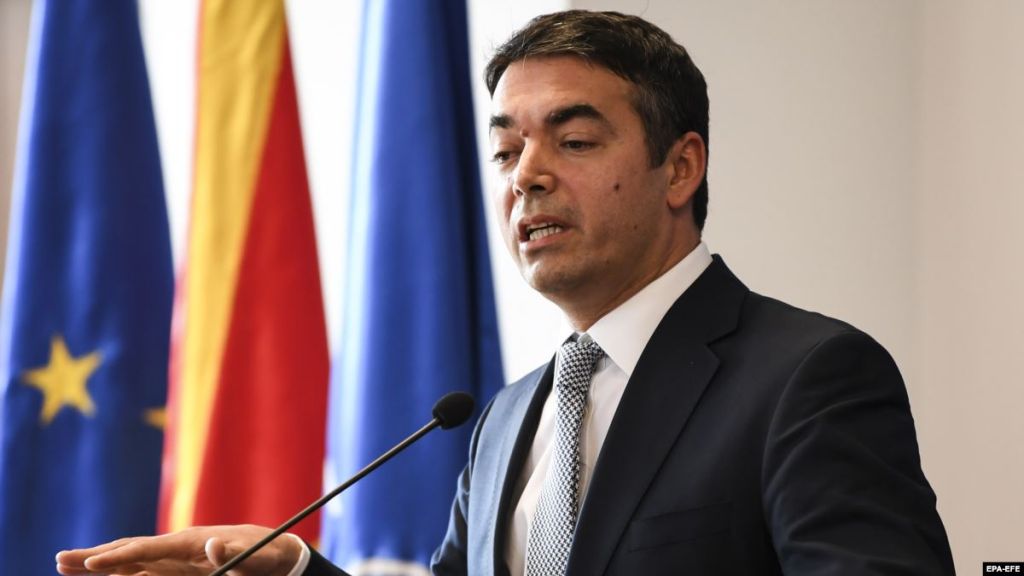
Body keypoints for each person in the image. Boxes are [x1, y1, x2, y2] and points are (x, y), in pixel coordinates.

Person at [57, 10, 955, 576]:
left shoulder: (807, 378)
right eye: (505, 150)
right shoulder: (504, 418)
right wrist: (294, 571)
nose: (526, 176)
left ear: (680, 168)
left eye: (574, 140)